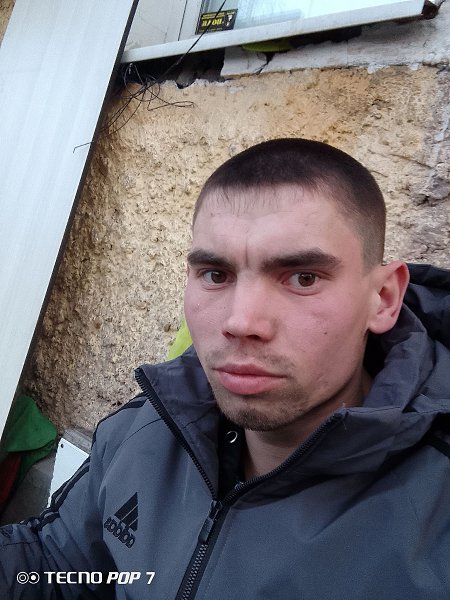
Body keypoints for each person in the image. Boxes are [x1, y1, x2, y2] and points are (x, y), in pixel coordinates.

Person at [1, 138, 449, 599]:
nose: (241, 322)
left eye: (303, 278)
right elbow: (57, 565)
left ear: (383, 299)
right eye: (216, 275)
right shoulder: (151, 425)